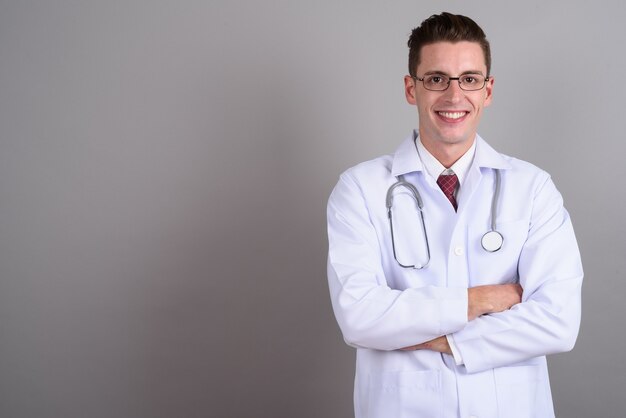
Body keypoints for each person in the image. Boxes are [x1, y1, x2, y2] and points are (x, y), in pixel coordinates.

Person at [326, 12, 583, 418]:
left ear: (488, 90)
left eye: (469, 79)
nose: (453, 95)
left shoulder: (532, 188)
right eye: (436, 79)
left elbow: (558, 322)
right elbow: (360, 317)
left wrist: (437, 336)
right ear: (412, 89)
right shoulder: (359, 189)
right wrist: (479, 300)